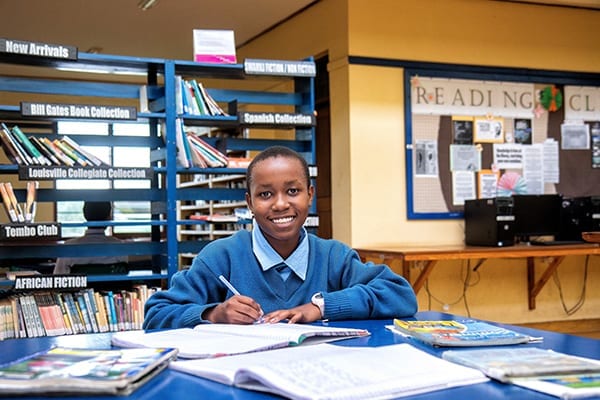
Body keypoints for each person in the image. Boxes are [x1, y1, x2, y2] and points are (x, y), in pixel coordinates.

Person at [143, 146, 417, 328]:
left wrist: (320, 307)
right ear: (249, 202)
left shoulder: (333, 256)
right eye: (265, 194)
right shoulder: (220, 257)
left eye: (293, 191)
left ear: (310, 195)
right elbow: (156, 314)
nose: (280, 204)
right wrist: (213, 314)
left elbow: (400, 295)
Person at [53, 201, 128, 274]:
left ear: (85, 215)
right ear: (108, 217)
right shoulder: (119, 247)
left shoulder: (69, 248)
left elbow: (58, 280)